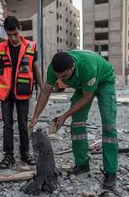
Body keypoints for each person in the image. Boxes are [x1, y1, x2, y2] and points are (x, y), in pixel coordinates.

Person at [30, 50, 118, 189]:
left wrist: (64, 115)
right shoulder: (53, 69)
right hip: (82, 84)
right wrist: (35, 116)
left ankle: (111, 172)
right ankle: (82, 165)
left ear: (72, 67)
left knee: (108, 125)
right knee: (77, 124)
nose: (61, 80)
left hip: (103, 80)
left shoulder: (87, 66)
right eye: (58, 77)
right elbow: (46, 92)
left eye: (64, 76)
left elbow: (87, 97)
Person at [0, 16, 43, 169]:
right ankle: (9, 155)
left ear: (20, 30)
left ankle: (25, 153)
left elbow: (35, 68)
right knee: (7, 125)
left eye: (15, 34)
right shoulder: (0, 48)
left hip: (23, 92)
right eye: (9, 34)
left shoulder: (31, 46)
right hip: (5, 93)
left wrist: (42, 88)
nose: (12, 38)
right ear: (6, 32)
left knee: (23, 125)